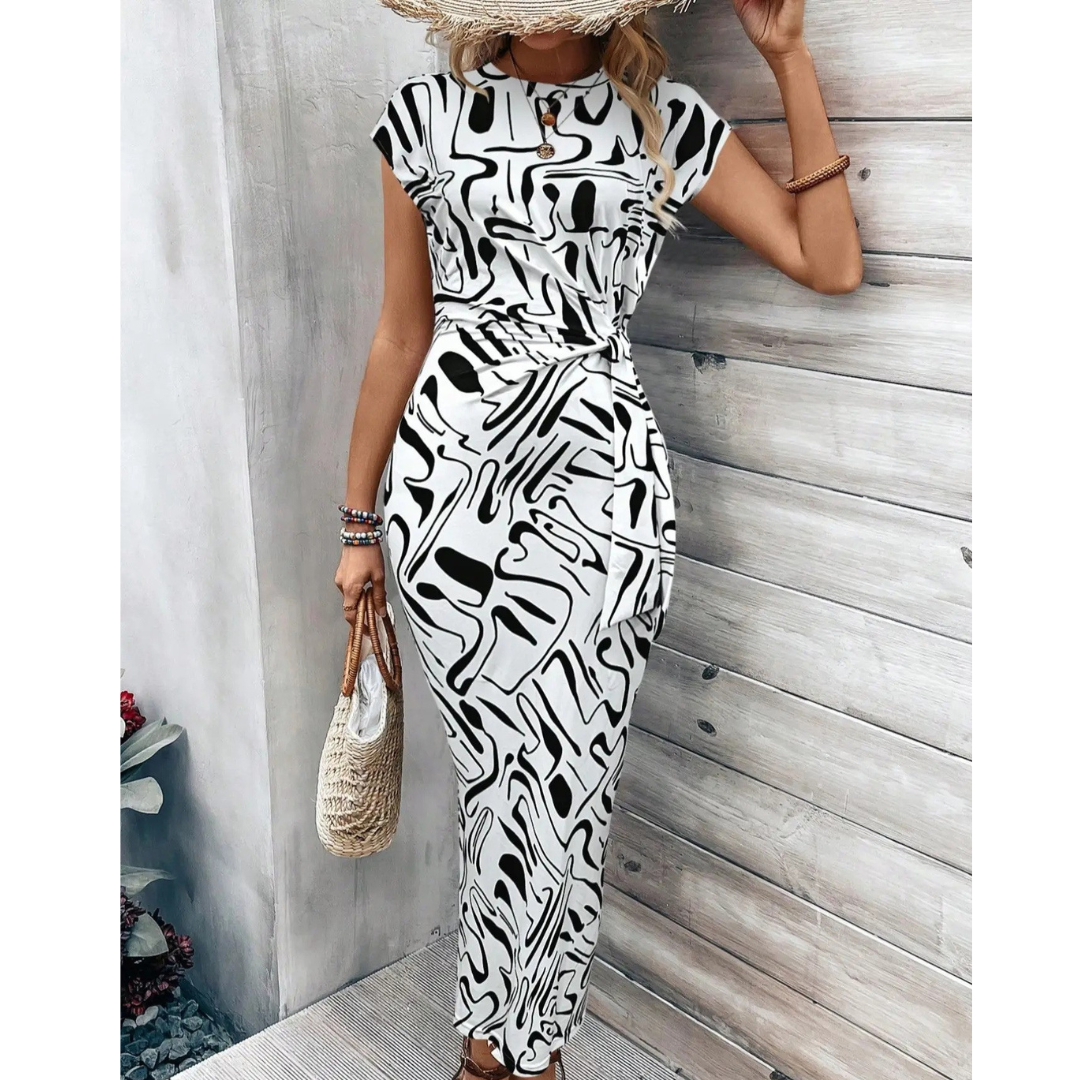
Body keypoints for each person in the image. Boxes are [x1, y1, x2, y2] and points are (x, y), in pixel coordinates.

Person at [335, 2, 861, 1076]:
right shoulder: (423, 116)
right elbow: (400, 333)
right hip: (449, 495)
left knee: (574, 783)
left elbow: (829, 261)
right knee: (496, 783)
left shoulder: (665, 119)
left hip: (604, 496)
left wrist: (789, 60)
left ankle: (532, 1051)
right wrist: (356, 526)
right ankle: (489, 1043)